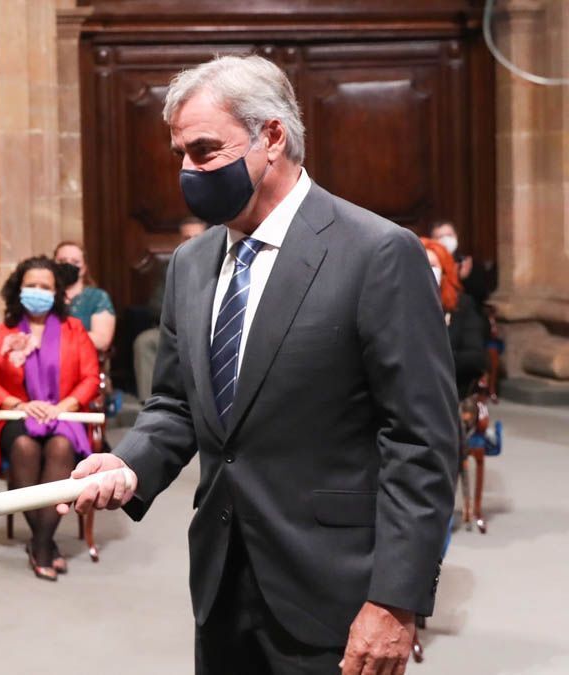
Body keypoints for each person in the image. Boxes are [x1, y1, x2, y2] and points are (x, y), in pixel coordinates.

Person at [62, 55, 458, 675]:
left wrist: (395, 599)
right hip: (221, 584)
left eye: (204, 151)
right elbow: (175, 404)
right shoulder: (191, 264)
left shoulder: (377, 252)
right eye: (180, 155)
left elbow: (421, 440)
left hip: (336, 593)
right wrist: (128, 462)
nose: (188, 172)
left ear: (271, 136)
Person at [0, 256, 100, 581]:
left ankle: (40, 543)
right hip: (17, 414)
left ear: (56, 292)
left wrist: (64, 406)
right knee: (24, 447)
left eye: (45, 287)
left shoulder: (74, 330)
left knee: (60, 447)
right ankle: (45, 544)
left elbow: (91, 377)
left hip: (64, 415)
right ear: (18, 290)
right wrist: (20, 404)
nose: (38, 291)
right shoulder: (1, 332)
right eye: (31, 285)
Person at [134, 217, 207, 402]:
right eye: (186, 238)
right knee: (144, 341)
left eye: (196, 237)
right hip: (176, 329)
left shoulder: (221, 263)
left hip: (208, 330)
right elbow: (156, 304)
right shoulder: (170, 267)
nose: (191, 242)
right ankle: (151, 405)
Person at [422, 238, 488, 398]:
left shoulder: (461, 305)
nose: (427, 271)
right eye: (421, 265)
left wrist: (433, 361)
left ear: (444, 271)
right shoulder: (398, 306)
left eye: (432, 266)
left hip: (450, 390)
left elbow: (475, 358)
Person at [53, 242, 116, 353]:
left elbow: (102, 341)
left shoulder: (97, 297)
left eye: (75, 262)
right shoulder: (46, 296)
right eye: (62, 261)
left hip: (84, 359)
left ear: (84, 268)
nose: (68, 265)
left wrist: (58, 336)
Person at [430, 219, 497, 308]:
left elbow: (482, 295)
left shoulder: (468, 264)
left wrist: (465, 279)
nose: (446, 240)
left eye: (449, 235)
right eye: (440, 237)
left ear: (456, 236)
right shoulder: (430, 264)